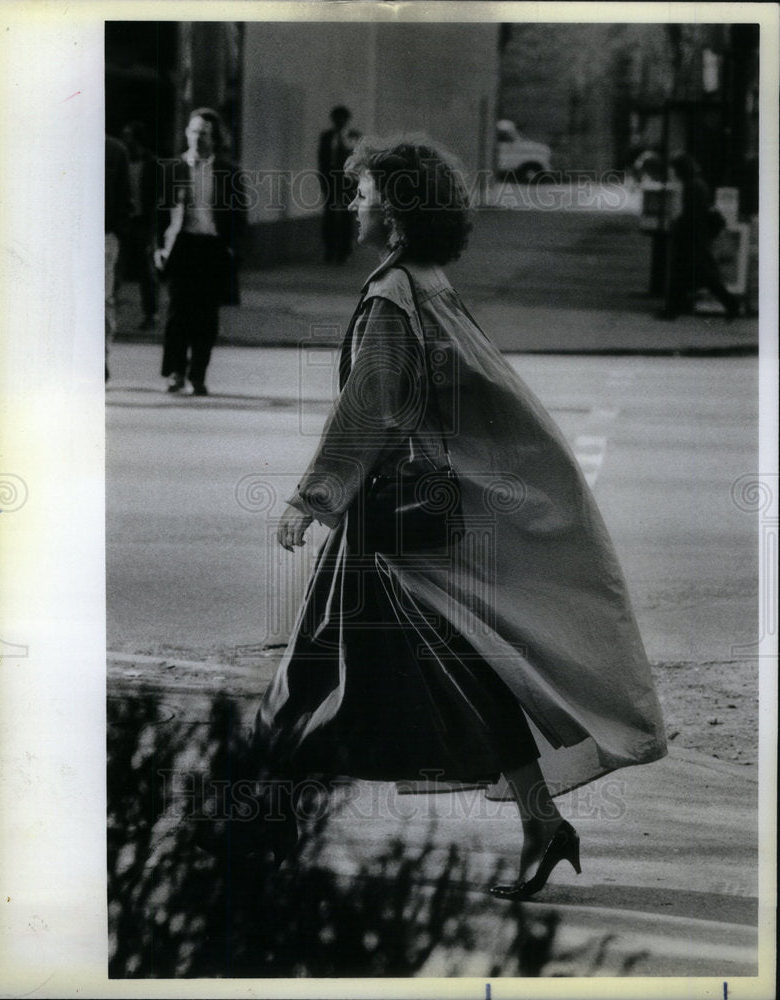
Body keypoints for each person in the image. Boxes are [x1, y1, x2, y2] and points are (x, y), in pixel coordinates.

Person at [249, 137, 667, 899]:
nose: (353, 205)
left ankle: (264, 831)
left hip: (393, 526)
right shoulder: (427, 281)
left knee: (315, 670)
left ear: (397, 212)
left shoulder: (394, 296)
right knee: (458, 669)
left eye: (364, 193)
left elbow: (370, 409)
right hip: (420, 520)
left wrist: (308, 500)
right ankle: (541, 823)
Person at [155, 108, 247, 395]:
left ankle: (198, 374)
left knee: (206, 316)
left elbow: (239, 215)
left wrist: (233, 249)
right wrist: (158, 247)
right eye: (193, 132)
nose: (197, 138)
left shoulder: (228, 171)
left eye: (204, 134)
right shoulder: (174, 168)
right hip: (182, 245)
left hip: (212, 248)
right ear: (186, 134)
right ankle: (175, 372)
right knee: (177, 313)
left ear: (214, 138)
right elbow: (159, 213)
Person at [658, 152, 740, 320]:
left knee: (693, 276)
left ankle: (731, 304)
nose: (673, 173)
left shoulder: (692, 187)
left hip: (692, 238)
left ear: (681, 170)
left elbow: (692, 214)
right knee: (693, 276)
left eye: (675, 169)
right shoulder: (697, 184)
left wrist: (678, 225)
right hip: (696, 237)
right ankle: (672, 310)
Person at [119, 121, 161, 331]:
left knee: (147, 271)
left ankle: (151, 314)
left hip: (143, 223)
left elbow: (156, 198)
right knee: (117, 267)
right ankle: (110, 311)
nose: (125, 140)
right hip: (124, 222)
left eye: (128, 135)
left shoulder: (151, 163)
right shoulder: (121, 161)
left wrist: (154, 230)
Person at [105, 134, 132, 383]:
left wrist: (117, 231)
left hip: (104, 236)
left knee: (102, 300)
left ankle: (100, 358)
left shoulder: (114, 150)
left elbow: (126, 196)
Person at [317, 106, 357, 263]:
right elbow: (322, 160)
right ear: (333, 120)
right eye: (337, 118)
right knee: (329, 217)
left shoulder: (353, 137)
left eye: (343, 118)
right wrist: (323, 180)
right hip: (331, 180)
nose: (340, 121)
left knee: (347, 217)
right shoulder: (326, 137)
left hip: (348, 183)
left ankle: (344, 251)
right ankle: (329, 250)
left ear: (347, 120)